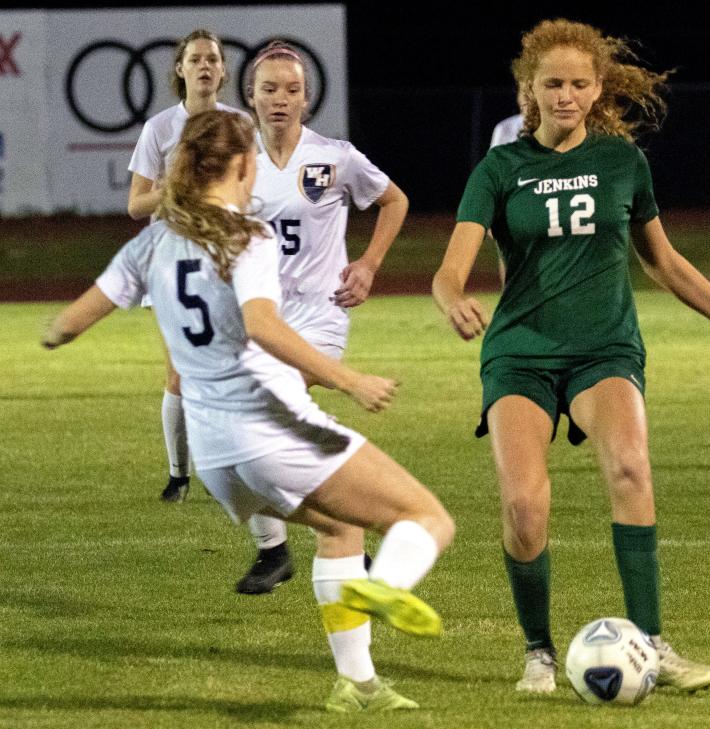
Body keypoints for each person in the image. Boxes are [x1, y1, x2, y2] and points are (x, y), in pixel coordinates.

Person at [44, 110, 454, 712]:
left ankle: (358, 686)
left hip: (215, 459)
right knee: (426, 518)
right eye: (253, 159)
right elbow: (263, 325)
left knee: (341, 528)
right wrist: (346, 378)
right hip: (271, 431)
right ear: (241, 164)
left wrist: (50, 336)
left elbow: (69, 323)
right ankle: (381, 588)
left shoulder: (153, 241)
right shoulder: (247, 235)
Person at [433, 19, 710, 695]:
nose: (565, 95)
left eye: (579, 83)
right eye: (552, 83)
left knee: (629, 465)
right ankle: (537, 650)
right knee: (525, 507)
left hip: (604, 347)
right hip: (522, 353)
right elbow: (451, 269)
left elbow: (664, 261)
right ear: (527, 88)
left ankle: (653, 643)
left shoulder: (624, 162)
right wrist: (450, 299)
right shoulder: (500, 169)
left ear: (598, 89)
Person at [243, 41, 417, 711]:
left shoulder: (335, 157)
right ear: (252, 98)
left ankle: (302, 528)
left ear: (305, 97)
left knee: (277, 416)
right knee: (265, 435)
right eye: (269, 87)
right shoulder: (235, 164)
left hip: (317, 319)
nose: (281, 96)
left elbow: (394, 200)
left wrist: (368, 265)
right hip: (257, 318)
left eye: (291, 86)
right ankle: (308, 526)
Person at [126, 29, 295, 596]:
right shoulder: (159, 129)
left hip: (226, 258)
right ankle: (181, 474)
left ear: (224, 73)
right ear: (179, 69)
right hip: (175, 261)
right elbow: (135, 204)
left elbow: (257, 189)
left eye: (213, 59)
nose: (204, 66)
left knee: (233, 368)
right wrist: (185, 187)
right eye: (195, 58)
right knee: (184, 369)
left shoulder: (236, 127)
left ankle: (256, 488)